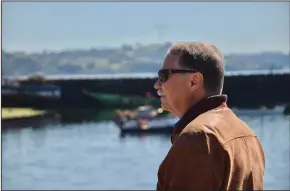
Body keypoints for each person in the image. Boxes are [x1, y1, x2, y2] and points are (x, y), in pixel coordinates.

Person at [153, 42, 265, 190]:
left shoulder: (198, 137)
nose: (157, 85)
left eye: (164, 76)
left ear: (194, 81)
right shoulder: (248, 134)